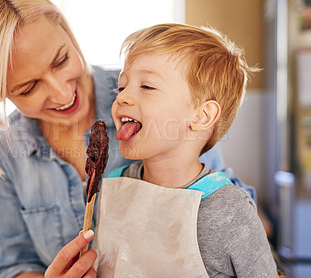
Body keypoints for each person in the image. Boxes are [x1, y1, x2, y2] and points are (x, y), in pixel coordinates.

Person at [0, 0, 263, 277]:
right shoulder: (6, 149)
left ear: (68, 33)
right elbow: (16, 263)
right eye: (28, 88)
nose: (61, 92)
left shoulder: (167, 100)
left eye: (61, 60)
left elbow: (227, 213)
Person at [93, 23, 278, 277]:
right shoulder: (113, 187)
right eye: (121, 87)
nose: (121, 98)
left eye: (146, 86)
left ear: (202, 116)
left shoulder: (228, 210)